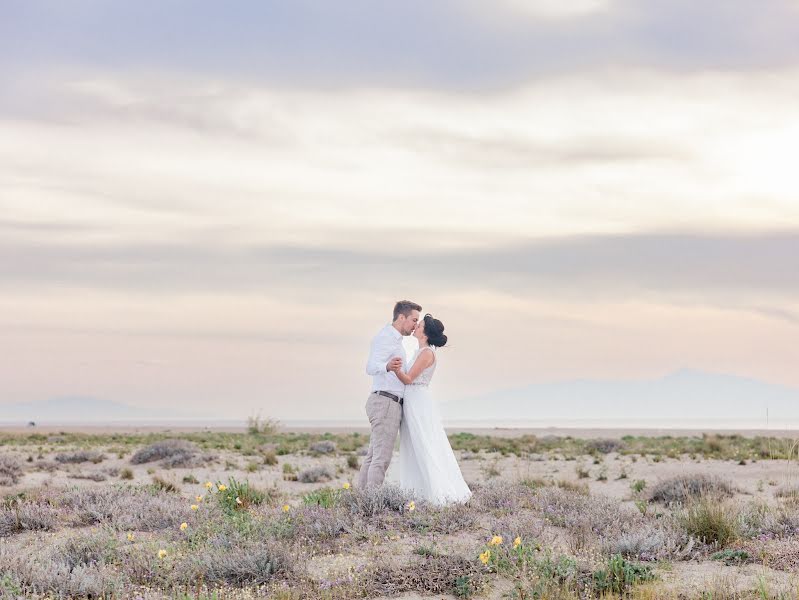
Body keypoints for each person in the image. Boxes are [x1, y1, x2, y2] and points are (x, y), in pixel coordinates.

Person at [394, 313, 471, 505]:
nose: (415, 327)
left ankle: (438, 493)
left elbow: (408, 378)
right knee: (413, 443)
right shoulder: (419, 351)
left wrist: (393, 369)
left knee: (425, 442)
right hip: (413, 399)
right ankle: (419, 492)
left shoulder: (427, 353)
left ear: (425, 334)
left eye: (418, 326)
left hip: (418, 401)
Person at [357, 300, 421, 488]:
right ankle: (371, 504)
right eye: (414, 320)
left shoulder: (394, 340)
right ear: (402, 317)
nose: (415, 326)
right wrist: (386, 366)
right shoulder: (385, 337)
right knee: (381, 458)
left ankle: (363, 499)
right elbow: (370, 367)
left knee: (373, 456)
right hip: (385, 401)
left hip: (387, 401)